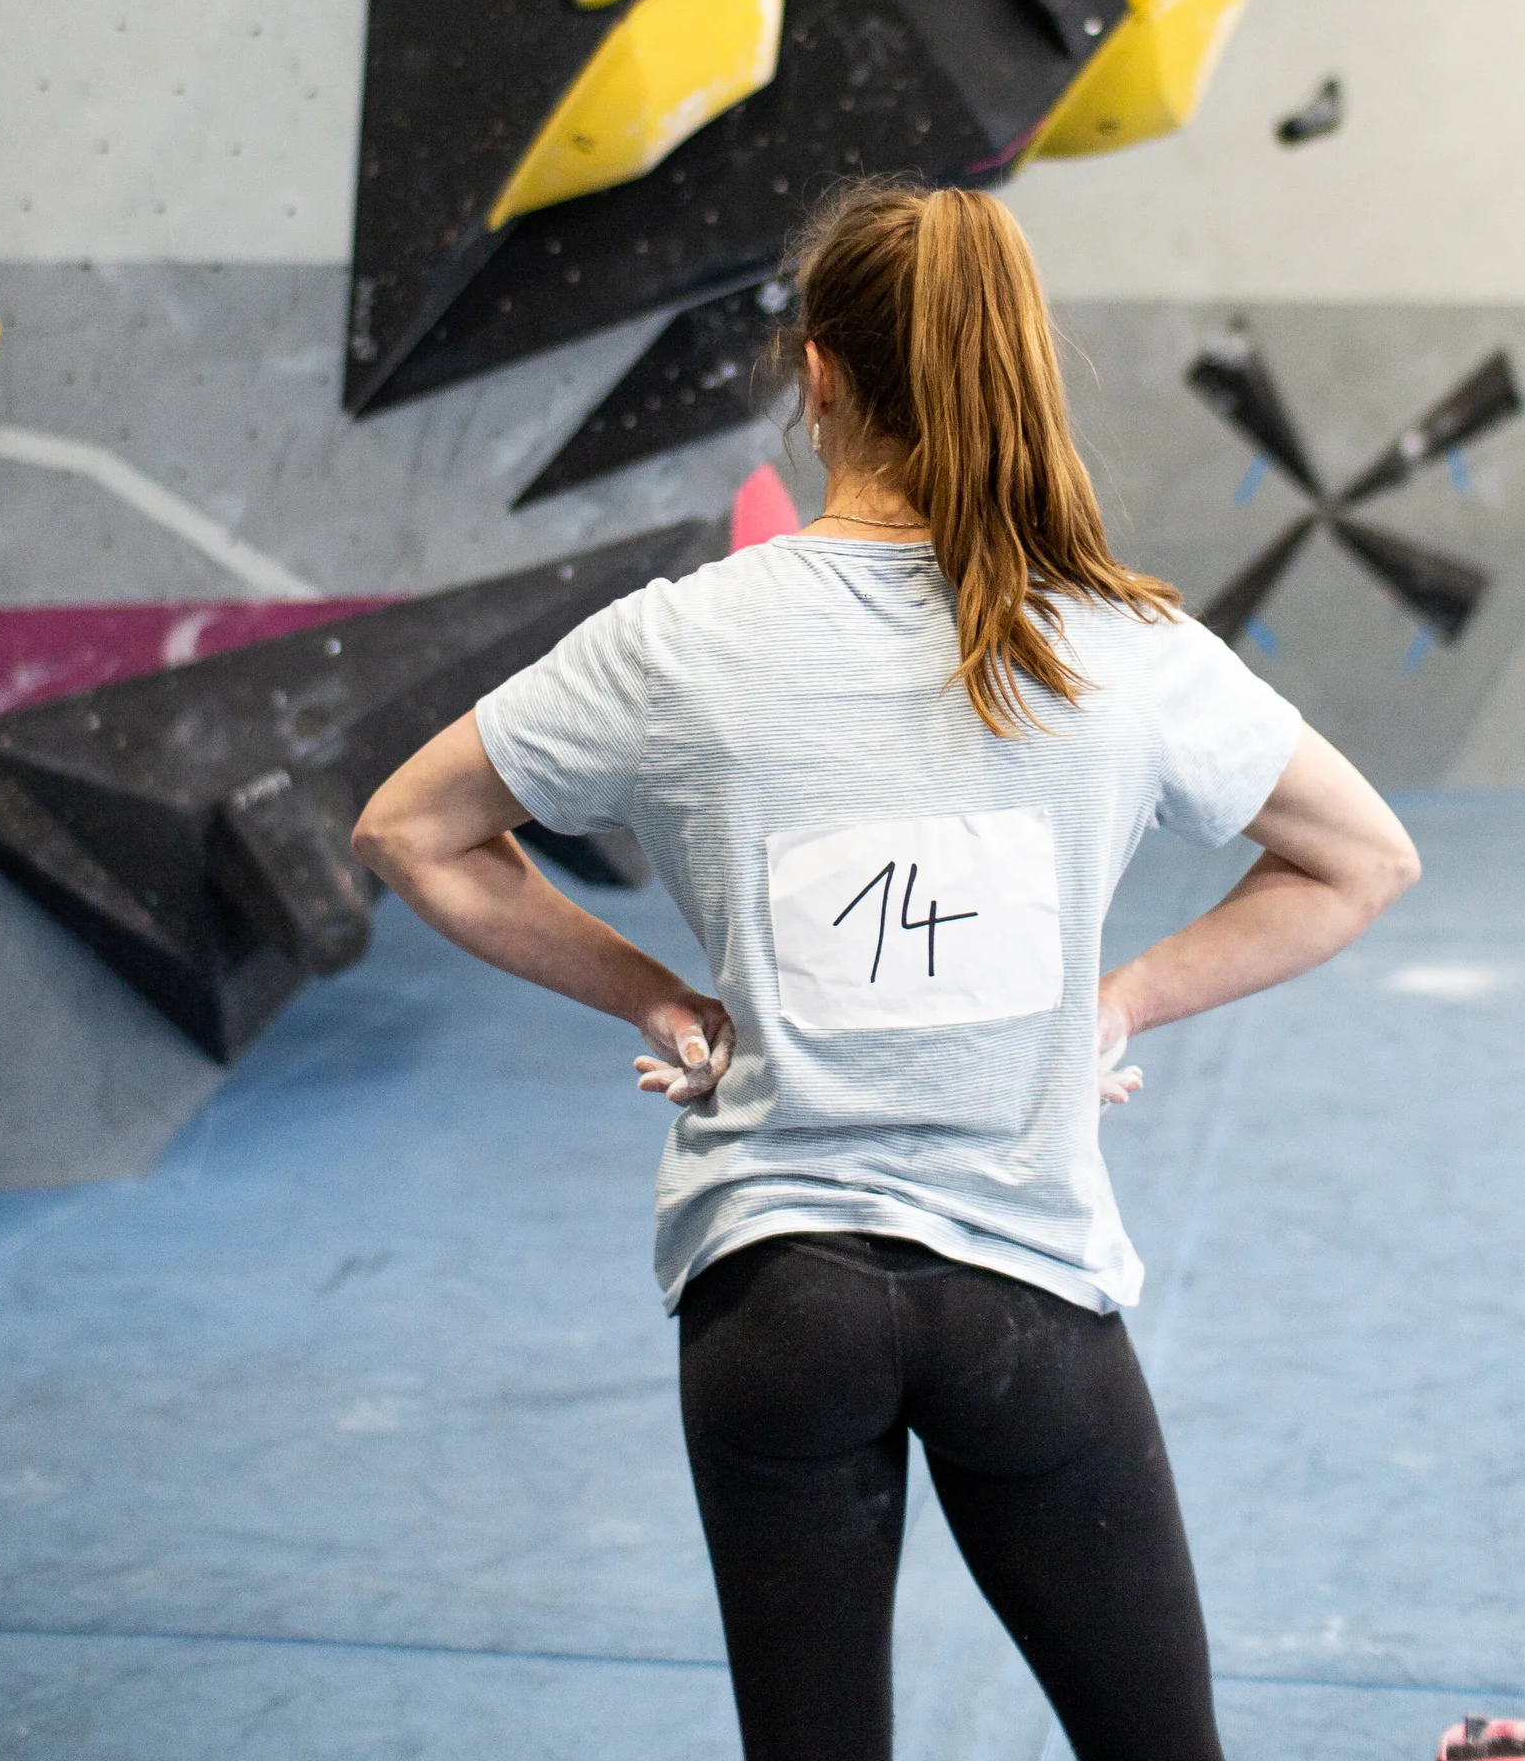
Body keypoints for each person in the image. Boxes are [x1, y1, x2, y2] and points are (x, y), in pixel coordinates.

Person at [354, 182, 1420, 1761]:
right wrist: (1110, 1004)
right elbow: (1362, 858)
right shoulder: (1114, 643)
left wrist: (660, 999)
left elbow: (412, 830)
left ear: (821, 374)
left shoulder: (675, 641)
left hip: (772, 1299)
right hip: (1028, 1305)